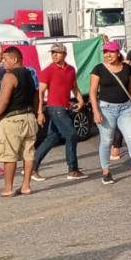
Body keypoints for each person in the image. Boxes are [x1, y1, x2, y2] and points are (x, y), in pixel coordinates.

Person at [90, 41, 131, 184]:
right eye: (105, 52)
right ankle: (106, 172)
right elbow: (92, 92)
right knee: (107, 141)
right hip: (106, 109)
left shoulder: (127, 68)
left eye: (111, 52)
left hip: (126, 108)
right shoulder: (99, 69)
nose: (107, 55)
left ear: (118, 53)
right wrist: (96, 111)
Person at [0, 47, 40, 197]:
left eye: (5, 59)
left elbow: (3, 102)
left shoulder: (9, 77)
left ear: (14, 59)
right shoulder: (30, 74)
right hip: (29, 117)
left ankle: (8, 188)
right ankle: (26, 186)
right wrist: (36, 113)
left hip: (12, 119)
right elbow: (36, 95)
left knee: (9, 154)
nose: (3, 63)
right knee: (28, 153)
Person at [32, 43, 87, 181]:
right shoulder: (48, 70)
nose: (54, 55)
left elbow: (74, 87)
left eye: (57, 52)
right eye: (52, 53)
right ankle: (72, 169)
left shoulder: (70, 70)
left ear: (64, 54)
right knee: (72, 135)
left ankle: (32, 167)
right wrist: (40, 111)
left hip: (65, 107)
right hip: (55, 108)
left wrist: (80, 101)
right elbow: (41, 92)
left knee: (52, 138)